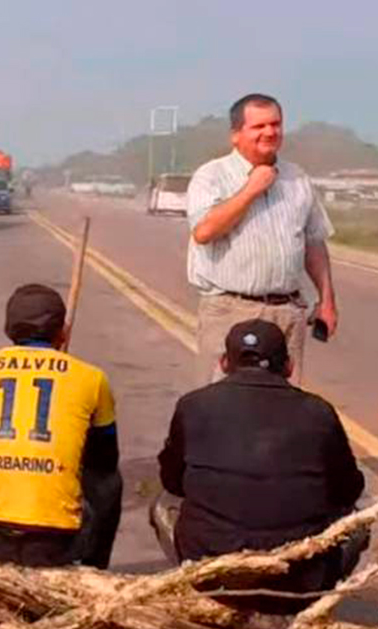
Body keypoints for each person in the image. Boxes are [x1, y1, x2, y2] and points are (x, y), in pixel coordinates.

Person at [152, 319, 366, 615]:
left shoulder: (192, 405)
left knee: (163, 504)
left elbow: (172, 482)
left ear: (225, 363)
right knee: (355, 522)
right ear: (288, 366)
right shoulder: (319, 412)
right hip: (298, 580)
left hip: (213, 574)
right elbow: (349, 490)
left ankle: (200, 587)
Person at [0, 284, 122, 568]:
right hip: (57, 540)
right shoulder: (92, 378)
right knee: (109, 481)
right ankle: (95, 566)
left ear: (9, 330)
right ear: (63, 332)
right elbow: (106, 458)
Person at [187, 93, 337, 384]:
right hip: (231, 310)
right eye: (258, 126)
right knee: (222, 405)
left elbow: (314, 243)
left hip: (287, 312)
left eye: (275, 124)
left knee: (282, 409)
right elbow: (204, 232)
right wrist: (251, 189)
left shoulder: (297, 178)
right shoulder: (212, 176)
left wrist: (327, 301)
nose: (270, 132)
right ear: (236, 135)